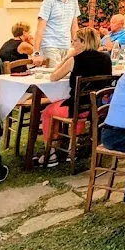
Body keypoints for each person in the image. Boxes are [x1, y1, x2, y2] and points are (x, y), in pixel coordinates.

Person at [38, 27, 113, 166]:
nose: (73, 44)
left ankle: (51, 153)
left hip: (78, 108)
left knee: (48, 110)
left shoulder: (75, 60)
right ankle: (73, 148)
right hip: (96, 106)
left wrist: (67, 57)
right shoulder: (106, 59)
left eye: (75, 41)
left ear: (84, 43)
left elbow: (54, 76)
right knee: (77, 104)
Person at [34, 0, 80, 64]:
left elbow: (74, 27)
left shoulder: (74, 1)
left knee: (66, 75)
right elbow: (40, 28)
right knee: (54, 75)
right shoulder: (48, 2)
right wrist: (36, 52)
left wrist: (77, 46)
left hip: (66, 45)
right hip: (49, 45)